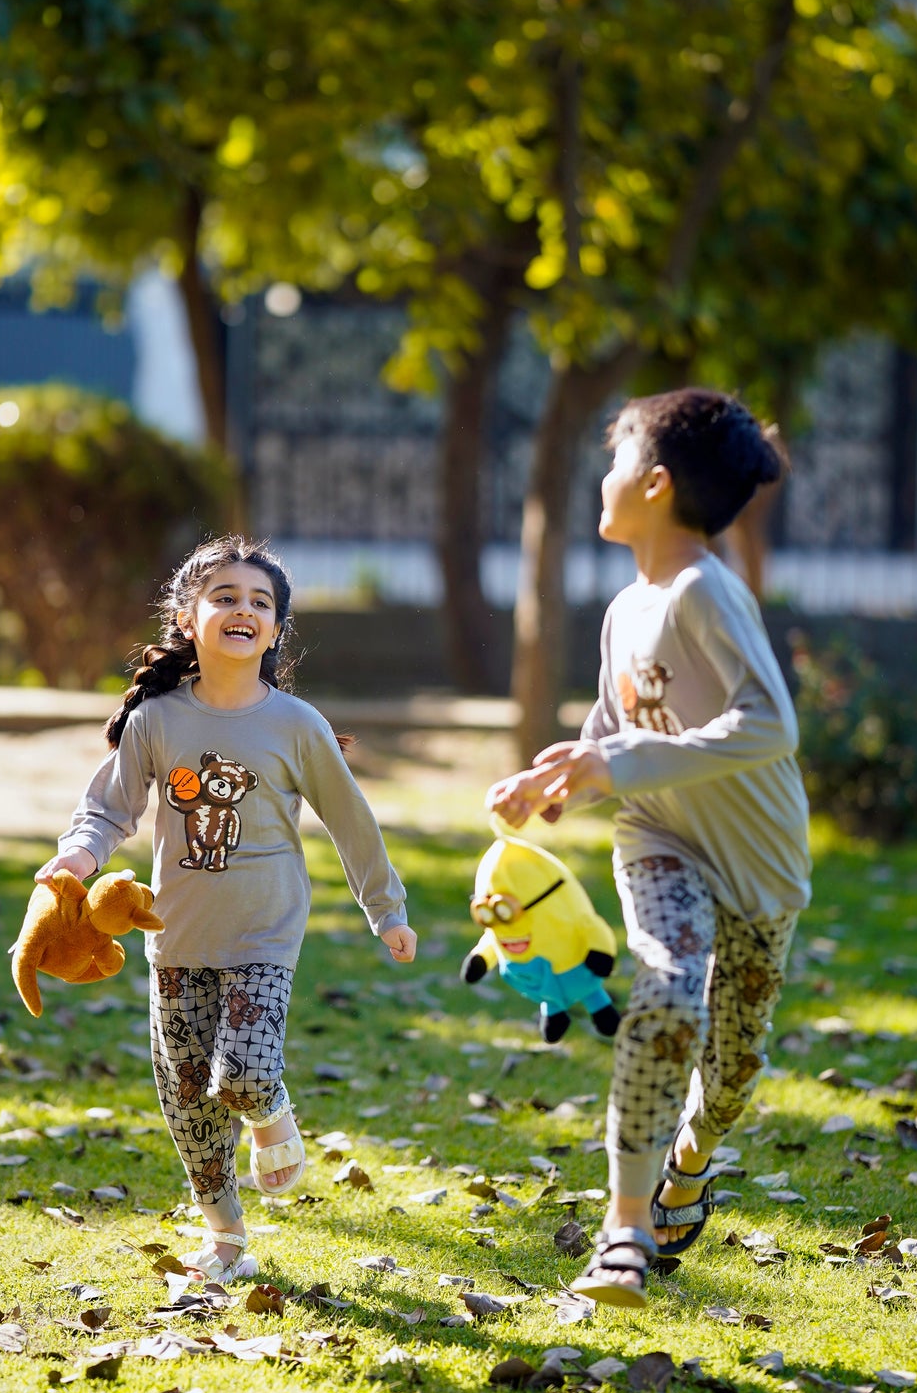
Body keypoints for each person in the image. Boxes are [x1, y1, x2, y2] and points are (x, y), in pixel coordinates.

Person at [487, 389, 810, 1308]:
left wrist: (614, 757)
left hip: (759, 867)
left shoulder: (705, 590)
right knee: (667, 990)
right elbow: (612, 719)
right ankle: (623, 1232)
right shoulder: (624, 607)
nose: (604, 475)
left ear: (657, 483)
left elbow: (768, 725)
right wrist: (563, 772)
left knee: (732, 1069)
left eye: (616, 457)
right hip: (659, 838)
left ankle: (689, 1164)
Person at [41, 534, 416, 1283]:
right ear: (187, 618)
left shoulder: (297, 726)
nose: (243, 609)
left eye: (260, 602)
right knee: (189, 1104)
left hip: (263, 933)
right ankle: (224, 1238)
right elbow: (107, 810)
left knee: (242, 1076)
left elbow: (351, 822)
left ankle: (273, 1116)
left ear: (275, 630)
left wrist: (387, 909)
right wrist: (76, 861)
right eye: (225, 597)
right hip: (176, 938)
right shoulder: (156, 721)